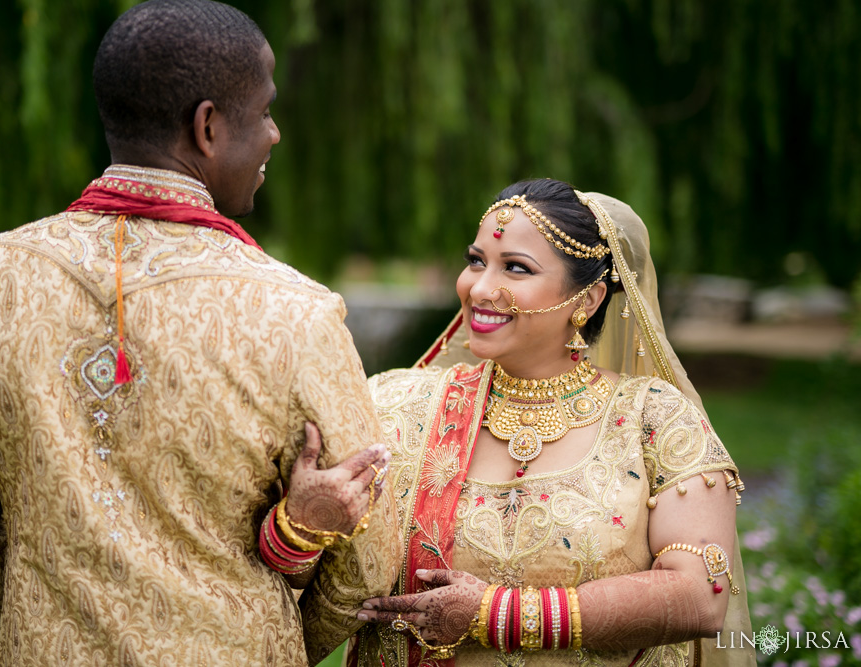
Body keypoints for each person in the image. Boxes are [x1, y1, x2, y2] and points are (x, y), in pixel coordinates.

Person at [0, 1, 397, 664]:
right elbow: (371, 556)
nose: (275, 133)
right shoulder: (294, 312)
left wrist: (51, 636)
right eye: (266, 110)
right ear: (209, 126)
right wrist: (265, 641)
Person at [276, 179, 753, 665]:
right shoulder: (396, 402)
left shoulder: (654, 417)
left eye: (516, 269)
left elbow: (699, 596)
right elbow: (306, 581)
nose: (480, 288)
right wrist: (301, 527)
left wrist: (492, 613)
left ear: (586, 301)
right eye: (476, 260)